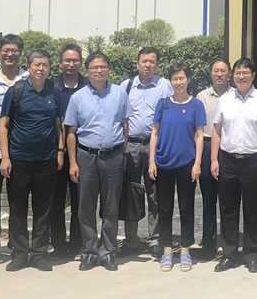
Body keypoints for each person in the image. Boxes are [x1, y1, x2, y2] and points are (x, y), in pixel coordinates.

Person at [0, 49, 64, 272]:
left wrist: (60, 151)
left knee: (43, 209)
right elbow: (3, 126)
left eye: (45, 65)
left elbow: (59, 124)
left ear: (49, 68)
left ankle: (38, 254)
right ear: (28, 67)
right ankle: (18, 254)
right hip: (19, 159)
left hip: (46, 160)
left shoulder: (54, 91)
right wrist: (5, 157)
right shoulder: (16, 91)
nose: (41, 68)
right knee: (17, 209)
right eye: (37, 64)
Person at [66, 52, 132, 272]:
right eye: (94, 67)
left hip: (113, 156)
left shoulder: (120, 94)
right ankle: (90, 251)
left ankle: (109, 251)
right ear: (87, 71)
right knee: (86, 206)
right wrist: (73, 162)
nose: (99, 71)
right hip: (86, 156)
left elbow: (125, 125)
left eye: (103, 66)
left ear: (108, 69)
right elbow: (71, 132)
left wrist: (124, 154)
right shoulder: (78, 97)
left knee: (111, 206)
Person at [211, 58, 257, 273]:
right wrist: (214, 160)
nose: (241, 76)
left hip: (254, 161)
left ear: (253, 75)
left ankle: (253, 254)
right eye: (238, 73)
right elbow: (217, 131)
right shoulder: (225, 100)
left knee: (253, 209)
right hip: (228, 160)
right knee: (227, 209)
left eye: (245, 72)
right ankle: (229, 254)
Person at [148, 63, 205, 272]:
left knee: (186, 207)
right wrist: (152, 161)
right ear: (170, 81)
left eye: (182, 78)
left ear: (188, 80)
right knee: (164, 209)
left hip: (187, 164)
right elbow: (154, 133)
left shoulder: (196, 105)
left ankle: (185, 249)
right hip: (164, 163)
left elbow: (199, 135)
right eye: (175, 78)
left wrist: (197, 163)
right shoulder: (163, 104)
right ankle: (166, 250)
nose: (178, 82)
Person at [118, 47, 173, 257]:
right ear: (137, 64)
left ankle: (155, 240)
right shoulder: (126, 85)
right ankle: (131, 240)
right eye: (144, 61)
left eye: (151, 61)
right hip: (130, 145)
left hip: (154, 146)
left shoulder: (165, 86)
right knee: (130, 193)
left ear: (157, 64)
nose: (147, 65)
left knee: (155, 194)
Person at [0, 34, 29, 258]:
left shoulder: (29, 79)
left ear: (20, 53)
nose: (10, 54)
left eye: (14, 50)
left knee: (17, 198)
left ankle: (15, 239)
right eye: (6, 50)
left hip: (19, 150)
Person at [52, 44, 88, 259]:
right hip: (56, 151)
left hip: (81, 150)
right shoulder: (51, 85)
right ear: (60, 63)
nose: (71, 64)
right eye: (67, 60)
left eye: (75, 60)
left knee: (79, 200)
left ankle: (77, 244)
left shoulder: (88, 85)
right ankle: (57, 244)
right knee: (55, 200)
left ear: (81, 62)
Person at [193, 59, 229, 259]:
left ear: (229, 73)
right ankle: (208, 240)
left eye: (223, 71)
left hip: (228, 147)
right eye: (216, 71)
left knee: (227, 196)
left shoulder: (235, 95)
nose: (219, 74)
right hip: (207, 145)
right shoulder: (202, 96)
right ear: (211, 73)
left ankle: (228, 240)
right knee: (208, 197)